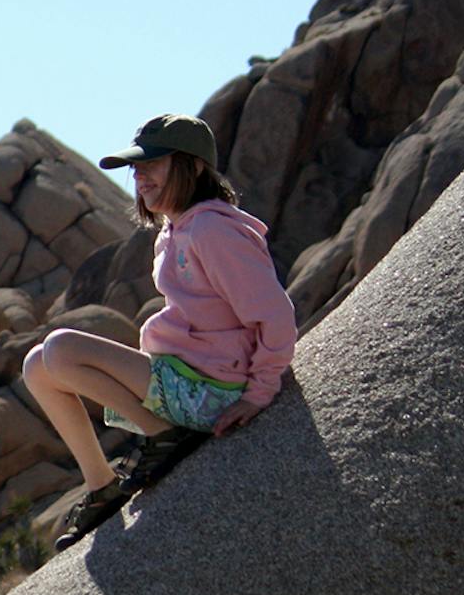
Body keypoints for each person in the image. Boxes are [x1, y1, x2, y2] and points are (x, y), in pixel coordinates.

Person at [20, 112, 297, 551]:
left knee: (61, 348)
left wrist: (259, 393)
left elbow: (275, 314)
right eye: (136, 167)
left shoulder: (212, 228)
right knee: (36, 365)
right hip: (187, 379)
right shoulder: (176, 230)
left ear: (193, 166)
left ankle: (162, 436)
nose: (139, 175)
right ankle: (102, 485)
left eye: (152, 164)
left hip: (215, 391)